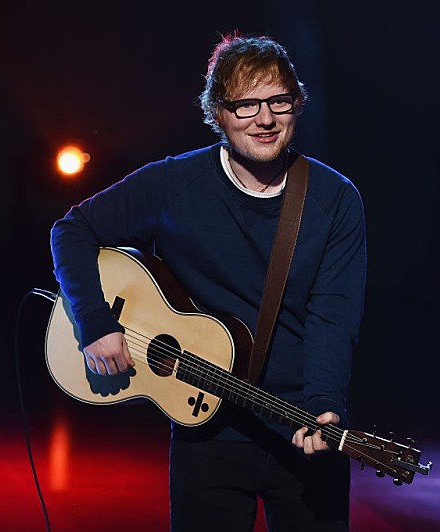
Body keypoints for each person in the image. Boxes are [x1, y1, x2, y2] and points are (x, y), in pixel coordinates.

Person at [50, 32, 367, 531]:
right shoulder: (176, 183)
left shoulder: (335, 199)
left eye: (278, 100)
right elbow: (72, 230)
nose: (265, 119)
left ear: (296, 105)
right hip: (206, 431)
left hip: (301, 426)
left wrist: (324, 404)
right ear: (218, 113)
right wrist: (94, 321)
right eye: (246, 105)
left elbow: (334, 314)